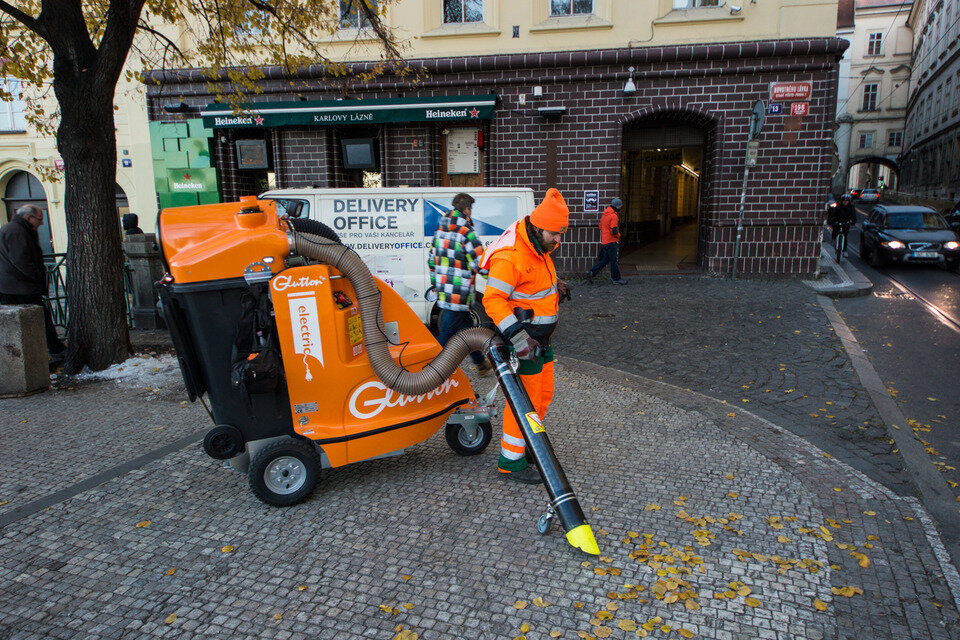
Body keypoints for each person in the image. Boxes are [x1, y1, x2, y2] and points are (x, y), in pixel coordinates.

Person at [481, 188, 571, 484]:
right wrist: (519, 341)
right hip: (523, 343)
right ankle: (511, 462)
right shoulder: (511, 256)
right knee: (524, 402)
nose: (559, 240)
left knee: (542, 396)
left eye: (561, 233)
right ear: (538, 227)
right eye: (556, 234)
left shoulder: (539, 246)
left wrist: (556, 285)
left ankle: (530, 444)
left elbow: (533, 282)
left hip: (540, 341)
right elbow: (493, 300)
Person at [428, 192, 492, 375]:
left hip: (444, 291)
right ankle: (430, 371)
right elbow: (479, 264)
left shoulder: (440, 230)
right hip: (459, 293)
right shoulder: (465, 231)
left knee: (467, 328)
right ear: (467, 209)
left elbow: (431, 260)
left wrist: (436, 284)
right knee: (447, 335)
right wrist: (497, 276)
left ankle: (481, 363)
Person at [0, 205, 67, 359]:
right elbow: (21, 260)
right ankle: (53, 350)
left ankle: (47, 349)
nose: (41, 223)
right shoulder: (16, 231)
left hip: (15, 285)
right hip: (19, 286)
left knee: (38, 319)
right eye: (39, 219)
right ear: (28, 218)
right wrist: (36, 277)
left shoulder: (14, 229)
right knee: (40, 319)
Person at [586, 197, 627, 285]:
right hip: (611, 241)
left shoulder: (605, 214)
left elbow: (600, 226)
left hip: (605, 241)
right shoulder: (614, 216)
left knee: (605, 260)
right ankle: (616, 279)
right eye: (620, 207)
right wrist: (619, 236)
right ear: (617, 207)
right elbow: (614, 230)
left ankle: (592, 272)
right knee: (613, 261)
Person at [828, 194, 856, 258]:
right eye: (844, 201)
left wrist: (853, 222)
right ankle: (833, 239)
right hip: (838, 220)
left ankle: (844, 250)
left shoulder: (851, 207)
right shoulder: (838, 206)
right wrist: (831, 221)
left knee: (845, 236)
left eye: (846, 201)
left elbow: (853, 215)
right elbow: (832, 213)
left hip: (846, 222)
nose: (845, 202)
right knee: (835, 230)